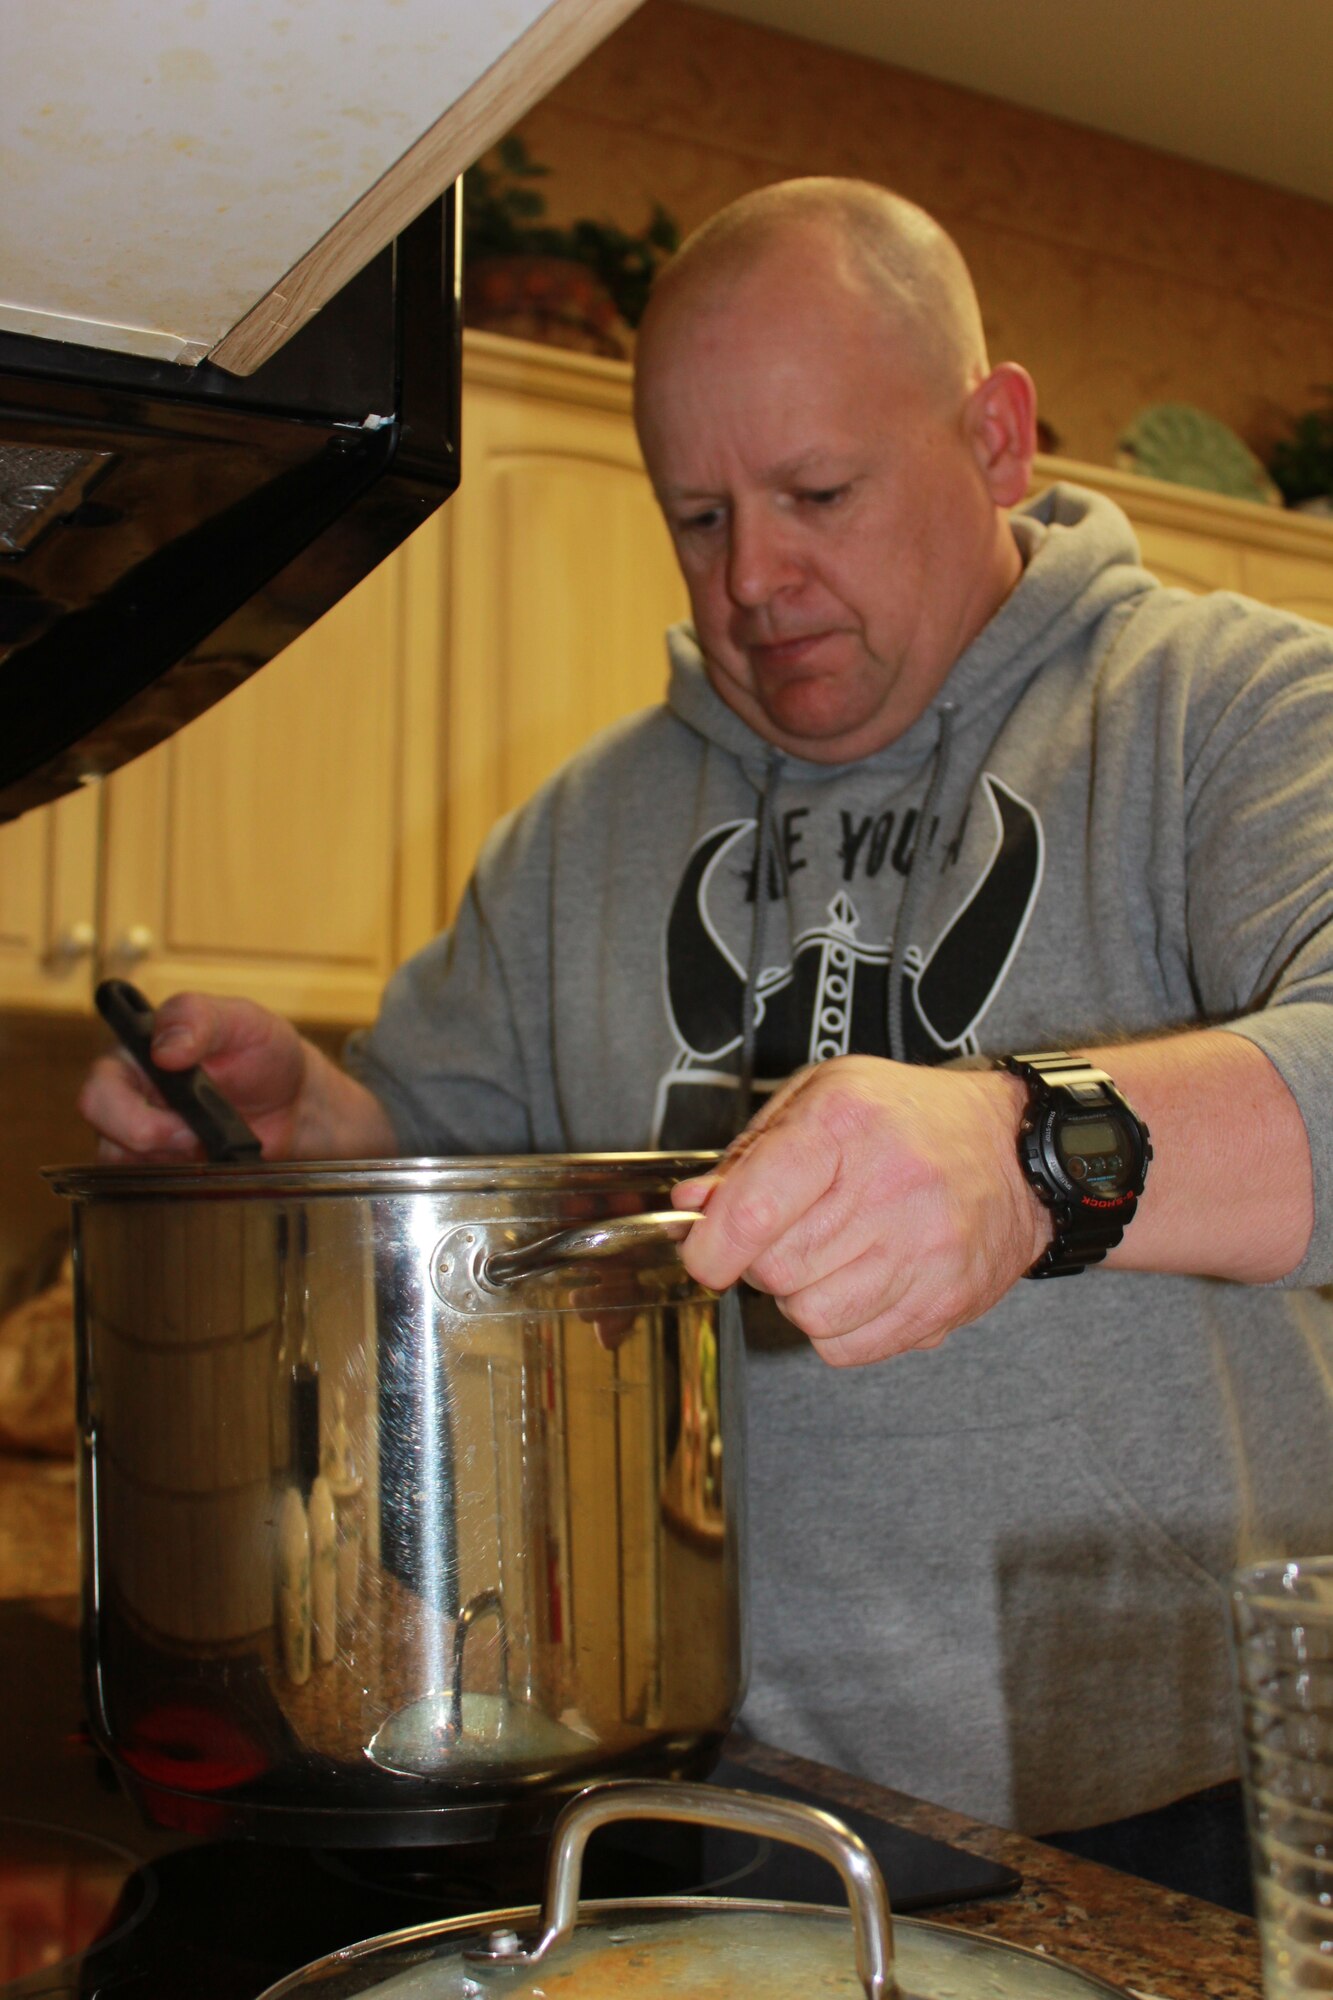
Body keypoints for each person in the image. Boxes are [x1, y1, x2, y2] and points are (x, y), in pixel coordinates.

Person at [80, 178, 1333, 1874]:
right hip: (691, 1790)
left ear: (994, 438)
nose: (752, 578)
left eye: (817, 491)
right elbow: (448, 1160)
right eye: (695, 517)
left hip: (1175, 1802)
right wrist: (315, 1118)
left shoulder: (1223, 711)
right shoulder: (577, 830)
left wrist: (1029, 1154)